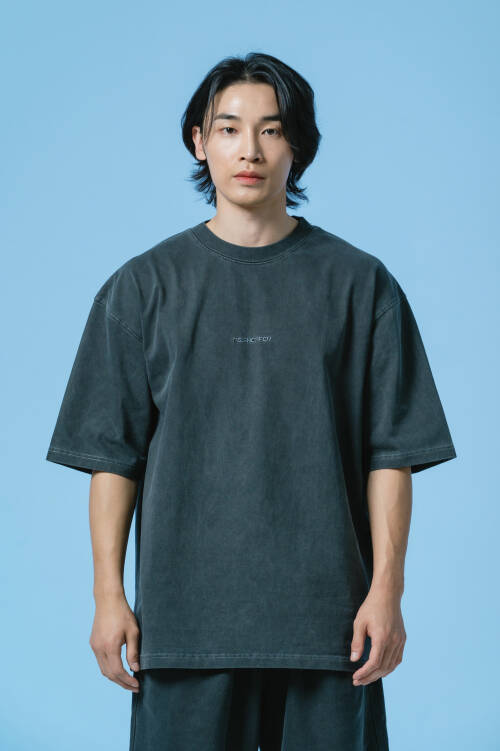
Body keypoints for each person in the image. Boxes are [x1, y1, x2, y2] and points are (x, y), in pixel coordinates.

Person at [45, 52, 457, 750]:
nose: (250, 151)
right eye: (229, 129)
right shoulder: (141, 288)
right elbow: (112, 458)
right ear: (198, 143)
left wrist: (387, 592)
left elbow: (391, 453)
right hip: (183, 629)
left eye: (272, 130)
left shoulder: (361, 285)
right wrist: (108, 596)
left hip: (331, 629)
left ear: (298, 146)